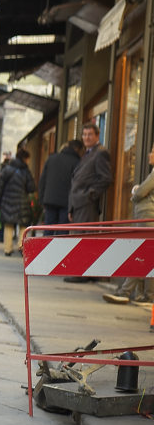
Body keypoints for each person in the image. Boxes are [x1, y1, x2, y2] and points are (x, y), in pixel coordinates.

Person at [104, 142, 154, 305]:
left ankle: (125, 291)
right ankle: (146, 294)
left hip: (148, 216)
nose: (149, 154)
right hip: (148, 217)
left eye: (152, 151)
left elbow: (141, 192)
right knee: (148, 255)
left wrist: (135, 191)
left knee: (141, 254)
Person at [0, 147, 35, 256]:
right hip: (22, 203)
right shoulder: (26, 171)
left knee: (8, 225)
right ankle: (21, 248)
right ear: (24, 158)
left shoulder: (7, 169)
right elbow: (31, 187)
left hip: (7, 202)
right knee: (22, 226)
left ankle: (7, 249)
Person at [68, 123, 113, 223]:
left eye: (90, 134)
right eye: (84, 134)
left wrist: (89, 195)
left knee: (83, 237)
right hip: (77, 205)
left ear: (97, 136)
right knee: (76, 237)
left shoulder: (101, 152)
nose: (86, 138)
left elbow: (106, 178)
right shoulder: (87, 153)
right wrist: (71, 207)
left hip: (87, 205)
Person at [38, 140, 84, 236]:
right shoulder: (77, 162)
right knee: (62, 232)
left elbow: (42, 180)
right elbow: (76, 184)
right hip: (66, 202)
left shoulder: (51, 158)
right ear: (78, 149)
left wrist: (42, 200)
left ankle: (46, 250)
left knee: (48, 229)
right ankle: (60, 251)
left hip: (49, 199)